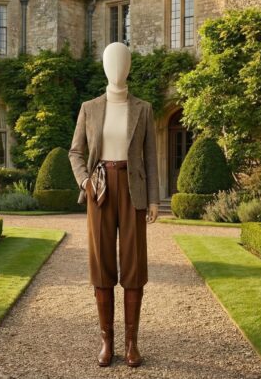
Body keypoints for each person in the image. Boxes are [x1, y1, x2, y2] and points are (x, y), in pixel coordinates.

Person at [69, 42, 160, 367]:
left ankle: (132, 344)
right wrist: (84, 181)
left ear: (128, 67)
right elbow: (75, 152)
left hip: (133, 189)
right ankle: (107, 343)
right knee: (102, 264)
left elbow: (150, 157)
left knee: (134, 267)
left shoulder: (144, 109)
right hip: (100, 189)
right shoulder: (89, 108)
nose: (117, 68)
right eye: (111, 62)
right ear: (106, 67)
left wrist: (153, 199)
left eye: (122, 62)